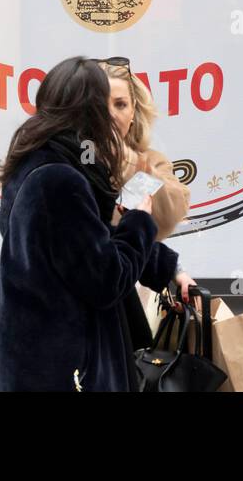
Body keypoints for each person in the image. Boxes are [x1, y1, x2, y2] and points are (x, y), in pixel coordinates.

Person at [0, 56, 196, 391]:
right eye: (103, 106)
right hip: (65, 367)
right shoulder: (59, 179)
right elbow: (105, 277)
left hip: (39, 357)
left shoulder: (41, 161)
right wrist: (140, 219)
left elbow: (89, 241)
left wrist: (168, 268)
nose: (110, 116)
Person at [100, 59, 195, 341]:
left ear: (134, 112)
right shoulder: (74, 162)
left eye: (120, 104)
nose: (112, 114)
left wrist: (175, 271)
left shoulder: (149, 162)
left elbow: (169, 213)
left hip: (127, 299)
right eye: (103, 105)